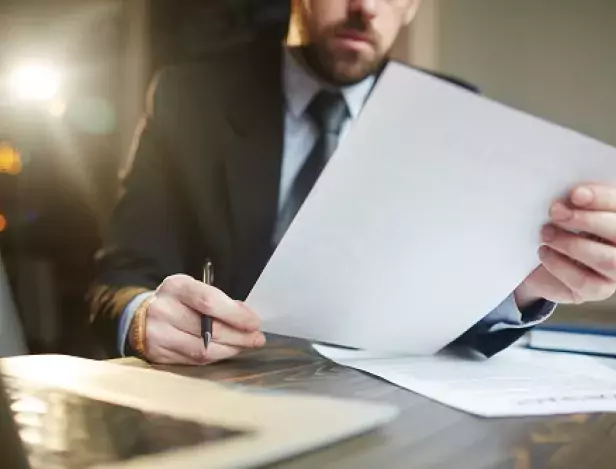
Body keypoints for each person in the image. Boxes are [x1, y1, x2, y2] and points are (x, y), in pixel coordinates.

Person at [89, 0, 616, 364]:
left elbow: (444, 306)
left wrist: (524, 289)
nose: (367, 6)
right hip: (219, 395)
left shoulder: (453, 112)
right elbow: (119, 278)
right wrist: (142, 320)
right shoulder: (188, 98)